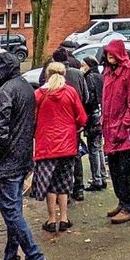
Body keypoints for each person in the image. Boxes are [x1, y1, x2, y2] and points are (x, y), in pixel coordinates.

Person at [0, 51, 49, 260]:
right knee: (14, 211)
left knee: (11, 212)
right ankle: (11, 258)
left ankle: (35, 256)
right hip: (21, 157)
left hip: (7, 161)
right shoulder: (26, 88)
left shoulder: (5, 92)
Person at [32, 63, 88, 233]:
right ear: (64, 73)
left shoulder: (39, 94)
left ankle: (51, 219)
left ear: (47, 75)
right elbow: (82, 117)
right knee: (64, 182)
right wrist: (75, 127)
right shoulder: (70, 92)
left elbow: (32, 119)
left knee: (49, 184)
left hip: (46, 145)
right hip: (67, 144)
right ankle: (64, 218)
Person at [102, 35, 130, 224]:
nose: (109, 57)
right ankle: (122, 201)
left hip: (123, 132)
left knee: (125, 170)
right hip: (110, 129)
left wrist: (124, 126)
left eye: (112, 54)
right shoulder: (108, 72)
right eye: (107, 54)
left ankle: (129, 206)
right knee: (114, 170)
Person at [52, 47, 90, 200]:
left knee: (60, 156)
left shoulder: (52, 76)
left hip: (58, 123)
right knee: (76, 154)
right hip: (76, 121)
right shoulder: (78, 74)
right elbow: (86, 97)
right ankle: (78, 187)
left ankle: (63, 191)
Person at [81, 56, 107, 192]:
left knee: (93, 148)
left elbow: (89, 99)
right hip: (101, 114)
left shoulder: (89, 78)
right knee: (99, 147)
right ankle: (102, 175)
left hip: (93, 116)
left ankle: (96, 179)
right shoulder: (100, 76)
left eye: (83, 64)